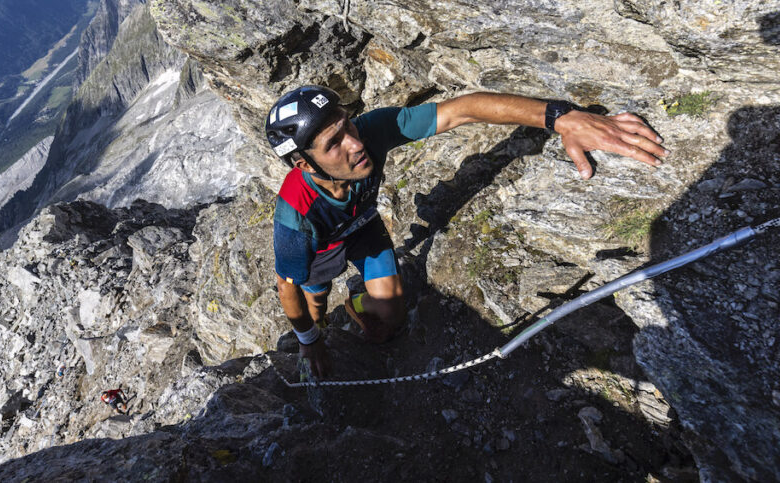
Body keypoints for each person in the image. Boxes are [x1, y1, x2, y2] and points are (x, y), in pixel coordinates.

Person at [265, 86, 668, 378]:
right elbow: (288, 286)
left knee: (390, 316)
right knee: (314, 300)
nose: (355, 143)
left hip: (363, 227)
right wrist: (309, 340)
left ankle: (358, 300)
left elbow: (462, 110)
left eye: (348, 125)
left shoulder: (371, 133)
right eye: (334, 142)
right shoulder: (295, 218)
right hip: (320, 247)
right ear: (303, 164)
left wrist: (561, 117)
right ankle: (323, 323)